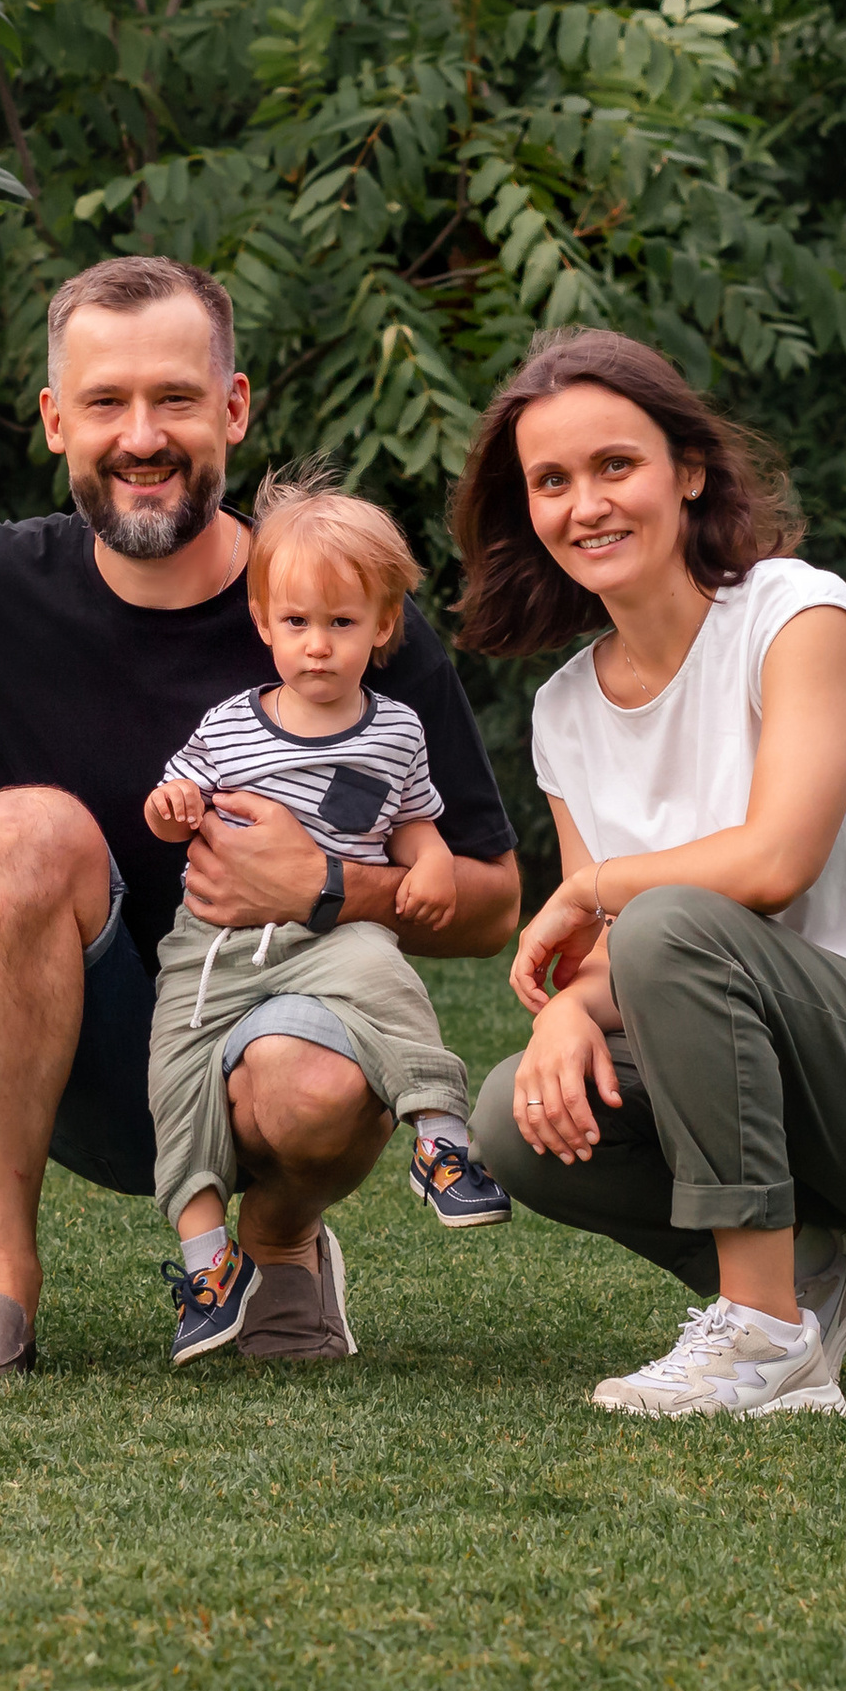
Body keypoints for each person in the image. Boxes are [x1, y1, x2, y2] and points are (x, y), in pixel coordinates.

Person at [0, 257, 522, 1373]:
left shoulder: (336, 612)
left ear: (232, 408)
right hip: (83, 1063)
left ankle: (280, 1246)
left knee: (313, 1083)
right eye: (106, 402)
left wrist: (334, 887)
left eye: (175, 398)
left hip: (284, 1047)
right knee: (18, 827)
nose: (142, 435)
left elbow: (488, 901)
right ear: (55, 421)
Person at [453, 330, 846, 1419]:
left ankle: (766, 1343)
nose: (586, 504)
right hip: (774, 1064)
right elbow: (616, 954)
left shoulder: (795, 614)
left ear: (687, 470)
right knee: (506, 1118)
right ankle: (817, 1277)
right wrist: (564, 1015)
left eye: (614, 465)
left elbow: (770, 864)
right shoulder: (564, 709)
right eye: (551, 480)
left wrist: (590, 894)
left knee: (672, 917)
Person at [144, 470, 512, 1365]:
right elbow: (175, 794)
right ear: (263, 623)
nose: (317, 647)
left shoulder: (396, 730)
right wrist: (172, 808)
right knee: (174, 1080)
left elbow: (419, 820)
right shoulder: (231, 723)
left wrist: (426, 868)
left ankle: (443, 1142)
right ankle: (208, 1267)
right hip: (216, 947)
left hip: (331, 939)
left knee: (388, 981)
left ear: (383, 629)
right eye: (298, 623)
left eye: (342, 624)